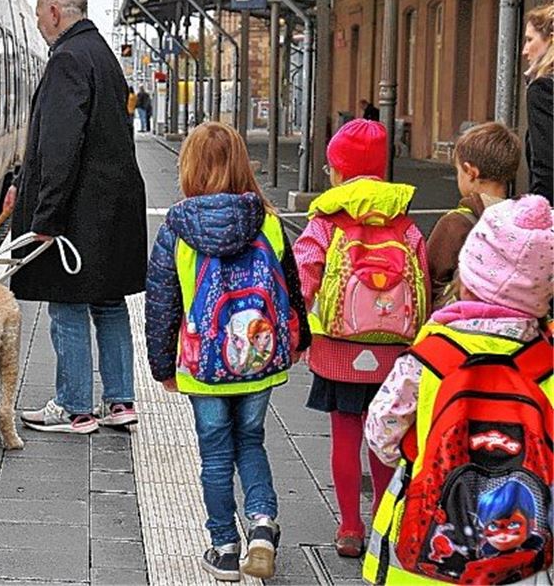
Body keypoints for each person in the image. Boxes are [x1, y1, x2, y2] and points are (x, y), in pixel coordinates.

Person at [145, 122, 311, 581]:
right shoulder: (270, 223)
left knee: (215, 455)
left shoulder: (176, 230)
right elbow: (292, 291)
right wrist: (301, 342)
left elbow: (162, 304)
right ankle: (261, 525)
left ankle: (223, 547)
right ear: (242, 165)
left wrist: (163, 366)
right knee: (251, 440)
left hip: (204, 367)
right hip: (258, 362)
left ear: (189, 168)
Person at [363, 195, 554, 585]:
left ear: (468, 277)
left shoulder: (432, 354)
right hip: (523, 561)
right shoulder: (547, 364)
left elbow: (381, 433)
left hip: (428, 553)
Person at [8, 0, 148, 434]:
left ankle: (74, 407)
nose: (39, 26)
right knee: (108, 302)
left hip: (78, 212)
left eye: (38, 18)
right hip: (113, 208)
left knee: (66, 303)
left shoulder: (68, 59)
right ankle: (120, 401)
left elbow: (60, 146)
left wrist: (45, 217)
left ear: (53, 12)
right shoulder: (102, 55)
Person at [294, 118, 431, 558]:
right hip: (394, 351)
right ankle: (382, 521)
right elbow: (423, 278)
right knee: (385, 435)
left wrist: (296, 332)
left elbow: (304, 277)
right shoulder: (404, 222)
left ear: (340, 170)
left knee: (345, 436)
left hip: (337, 348)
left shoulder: (326, 220)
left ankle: (349, 526)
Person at [427, 122, 521, 308]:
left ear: (471, 172)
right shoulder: (524, 223)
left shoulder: (455, 223)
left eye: (458, 171)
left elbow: (430, 278)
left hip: (462, 328)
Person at [523, 4, 553, 204]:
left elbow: (547, 165)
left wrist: (536, 212)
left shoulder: (543, 90)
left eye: (529, 40)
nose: (525, 50)